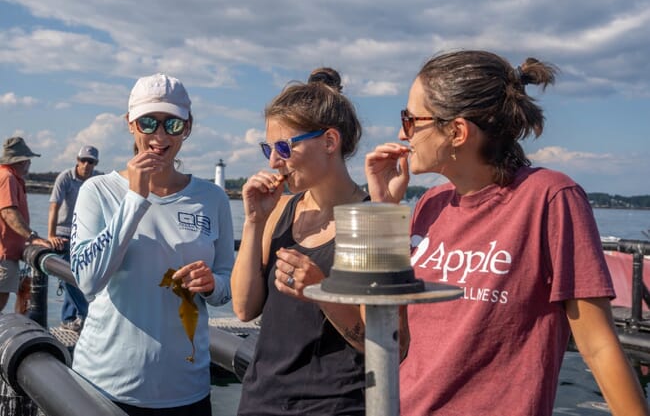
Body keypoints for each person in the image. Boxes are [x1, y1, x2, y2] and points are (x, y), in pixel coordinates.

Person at [365, 50, 650, 416]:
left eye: (409, 120)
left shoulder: (550, 198)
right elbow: (390, 332)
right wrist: (383, 213)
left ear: (457, 131)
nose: (400, 134)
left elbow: (597, 345)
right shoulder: (429, 205)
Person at [70, 73, 234, 415]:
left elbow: (225, 286)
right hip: (103, 385)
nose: (160, 136)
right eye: (148, 122)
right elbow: (87, 281)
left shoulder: (212, 198)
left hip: (186, 389)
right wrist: (135, 199)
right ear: (130, 124)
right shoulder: (98, 192)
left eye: (172, 125)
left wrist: (212, 283)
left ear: (187, 128)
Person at [232, 68, 372, 416]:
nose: (273, 161)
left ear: (329, 141)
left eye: (283, 147)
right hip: (260, 400)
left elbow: (377, 342)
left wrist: (320, 289)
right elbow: (244, 308)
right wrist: (253, 222)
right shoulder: (279, 210)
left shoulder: (368, 220)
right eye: (269, 147)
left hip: (335, 405)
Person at [48, 145, 101, 332]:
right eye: (83, 160)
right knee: (68, 278)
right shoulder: (65, 178)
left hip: (86, 235)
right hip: (63, 233)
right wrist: (51, 235)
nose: (86, 164)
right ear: (77, 160)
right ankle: (86, 314)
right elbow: (54, 206)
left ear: (95, 164)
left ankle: (69, 318)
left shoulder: (97, 180)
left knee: (81, 277)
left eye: (91, 161)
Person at [0, 137, 50, 313]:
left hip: (8, 252)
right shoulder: (7, 178)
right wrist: (32, 237)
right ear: (20, 161)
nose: (29, 163)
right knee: (1, 298)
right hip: (3, 254)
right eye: (28, 159)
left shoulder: (7, 176)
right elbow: (8, 212)